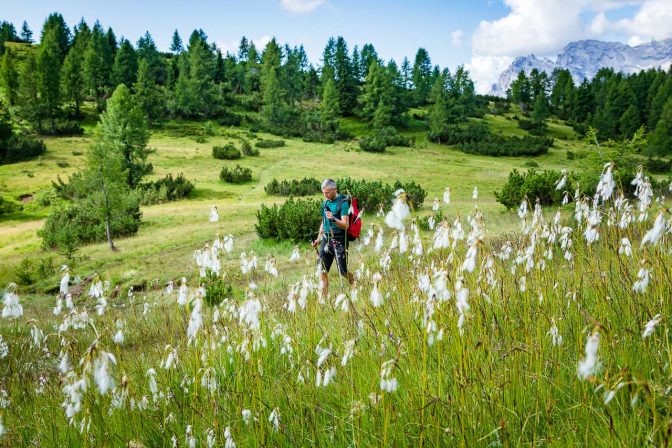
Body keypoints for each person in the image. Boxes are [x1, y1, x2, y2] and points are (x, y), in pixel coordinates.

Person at [312, 178, 354, 295]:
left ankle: (355, 285)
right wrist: (318, 239)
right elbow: (323, 222)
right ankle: (323, 299)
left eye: (327, 192)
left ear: (334, 189)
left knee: (343, 272)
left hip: (340, 240)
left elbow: (345, 225)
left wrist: (334, 219)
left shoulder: (343, 203)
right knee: (322, 270)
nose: (325, 195)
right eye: (323, 192)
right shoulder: (325, 203)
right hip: (326, 240)